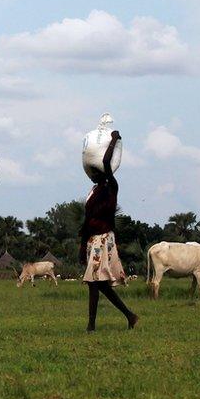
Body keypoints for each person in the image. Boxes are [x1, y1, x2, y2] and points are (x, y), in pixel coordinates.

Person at [79, 131, 138, 331]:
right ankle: (130, 316)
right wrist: (81, 246)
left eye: (97, 171)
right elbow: (86, 220)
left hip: (103, 239)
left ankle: (91, 326)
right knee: (99, 284)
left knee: (95, 283)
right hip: (92, 239)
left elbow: (105, 163)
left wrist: (113, 140)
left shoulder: (111, 186)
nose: (93, 174)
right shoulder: (93, 190)